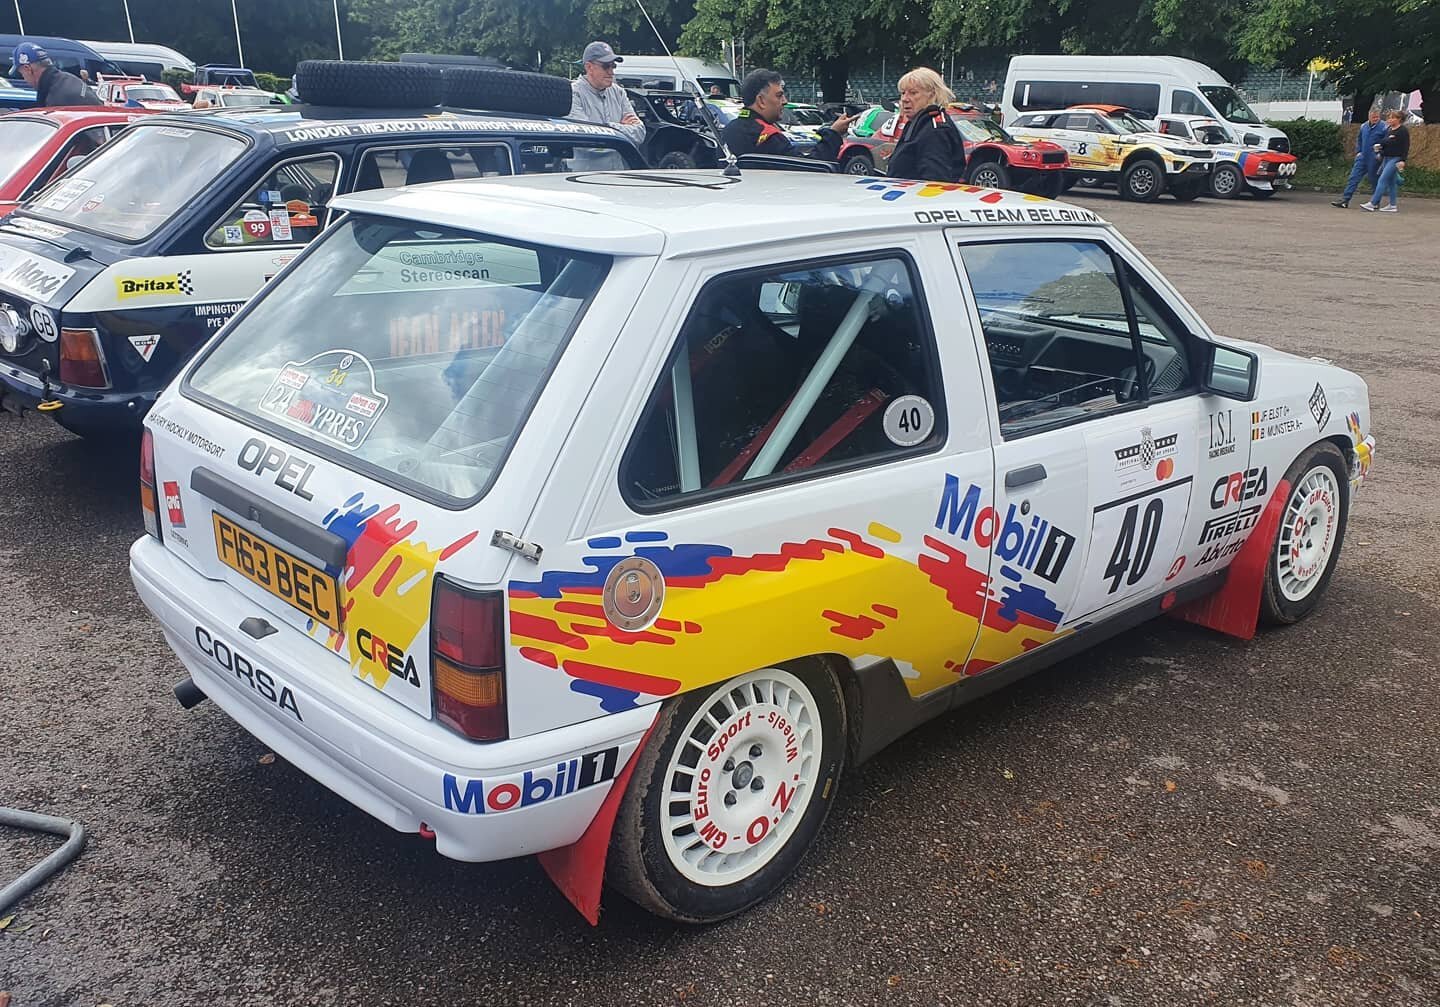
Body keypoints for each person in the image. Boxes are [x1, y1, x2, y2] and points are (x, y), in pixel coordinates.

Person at [720, 69, 852, 160]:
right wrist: (834, 134)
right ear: (761, 101)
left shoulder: (727, 131)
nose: (785, 101)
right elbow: (811, 170)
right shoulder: (769, 137)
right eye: (779, 96)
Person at [885, 67, 967, 184]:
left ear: (932, 95)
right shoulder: (917, 123)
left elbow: (935, 182)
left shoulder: (935, 130)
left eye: (913, 93)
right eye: (903, 93)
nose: (904, 99)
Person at [567, 41, 645, 146]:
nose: (611, 72)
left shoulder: (618, 92)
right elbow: (585, 139)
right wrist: (621, 128)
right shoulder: (572, 94)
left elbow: (640, 133)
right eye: (606, 66)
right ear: (589, 67)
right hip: (589, 162)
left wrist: (605, 127)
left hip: (619, 163)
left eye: (613, 66)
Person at [12, 42, 102, 107]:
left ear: (28, 69)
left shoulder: (55, 100)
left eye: (21, 74)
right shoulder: (68, 79)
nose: (24, 79)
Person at [1333, 106, 1388, 208]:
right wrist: (1359, 151)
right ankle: (1345, 199)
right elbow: (1359, 139)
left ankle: (1376, 201)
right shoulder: (1364, 126)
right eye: (1373, 117)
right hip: (1363, 156)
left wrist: (1381, 153)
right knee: (1353, 177)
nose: (1375, 119)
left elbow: (1387, 142)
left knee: (1374, 179)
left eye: (1377, 117)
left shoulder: (1384, 127)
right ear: (1369, 116)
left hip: (1375, 157)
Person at [1362, 109, 1408, 212]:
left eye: (1392, 118)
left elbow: (1405, 147)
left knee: (1382, 179)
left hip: (1395, 158)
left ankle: (1373, 203)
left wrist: (1403, 160)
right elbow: (1386, 143)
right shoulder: (1389, 129)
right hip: (1387, 158)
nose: (1390, 120)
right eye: (1389, 118)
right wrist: (1380, 151)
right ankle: (1392, 205)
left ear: (1399, 119)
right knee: (1391, 183)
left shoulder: (1403, 131)